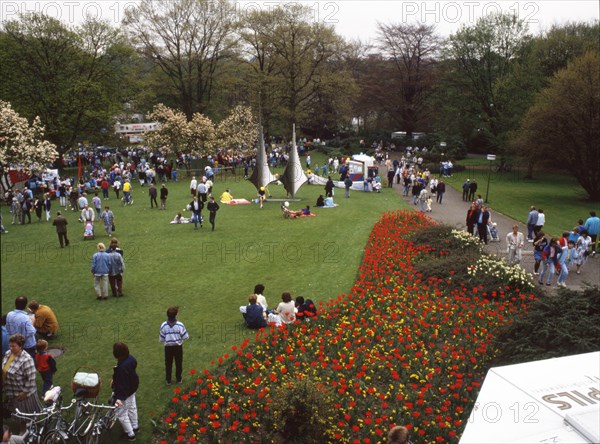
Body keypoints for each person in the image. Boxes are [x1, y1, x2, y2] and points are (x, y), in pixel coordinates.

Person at [2, 334, 43, 431]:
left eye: (13, 346)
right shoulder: (8, 354)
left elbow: (31, 378)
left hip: (22, 393)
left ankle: (24, 431)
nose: (11, 348)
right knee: (18, 413)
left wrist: (25, 392)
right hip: (11, 391)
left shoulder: (26, 359)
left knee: (24, 415)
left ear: (21, 346)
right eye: (10, 345)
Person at [111, 342, 139, 442]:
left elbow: (122, 385)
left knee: (121, 413)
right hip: (132, 388)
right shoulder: (130, 359)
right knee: (132, 407)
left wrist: (119, 399)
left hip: (124, 393)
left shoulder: (121, 368)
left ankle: (130, 434)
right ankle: (135, 426)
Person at [159, 306, 189, 385]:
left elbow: (162, 338)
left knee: (168, 364)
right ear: (176, 315)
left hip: (168, 348)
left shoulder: (163, 325)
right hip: (178, 347)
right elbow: (185, 336)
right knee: (178, 363)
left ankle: (168, 380)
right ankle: (179, 379)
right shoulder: (180, 325)